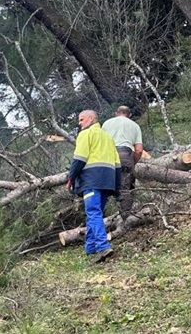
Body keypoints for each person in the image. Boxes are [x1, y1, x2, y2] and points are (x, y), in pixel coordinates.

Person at [66, 110, 122, 264]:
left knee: (93, 212)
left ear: (91, 119)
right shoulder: (108, 138)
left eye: (81, 119)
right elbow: (118, 165)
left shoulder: (85, 134)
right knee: (96, 213)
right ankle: (90, 248)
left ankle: (103, 246)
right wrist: (117, 188)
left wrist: (71, 178)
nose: (80, 123)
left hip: (92, 179)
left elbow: (79, 159)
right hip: (108, 180)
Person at [102, 106, 143, 219]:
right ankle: (125, 217)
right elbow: (139, 150)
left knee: (104, 187)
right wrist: (132, 162)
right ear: (129, 115)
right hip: (125, 155)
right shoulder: (134, 125)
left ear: (116, 113)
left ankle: (100, 218)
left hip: (107, 156)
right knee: (125, 188)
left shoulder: (106, 123)